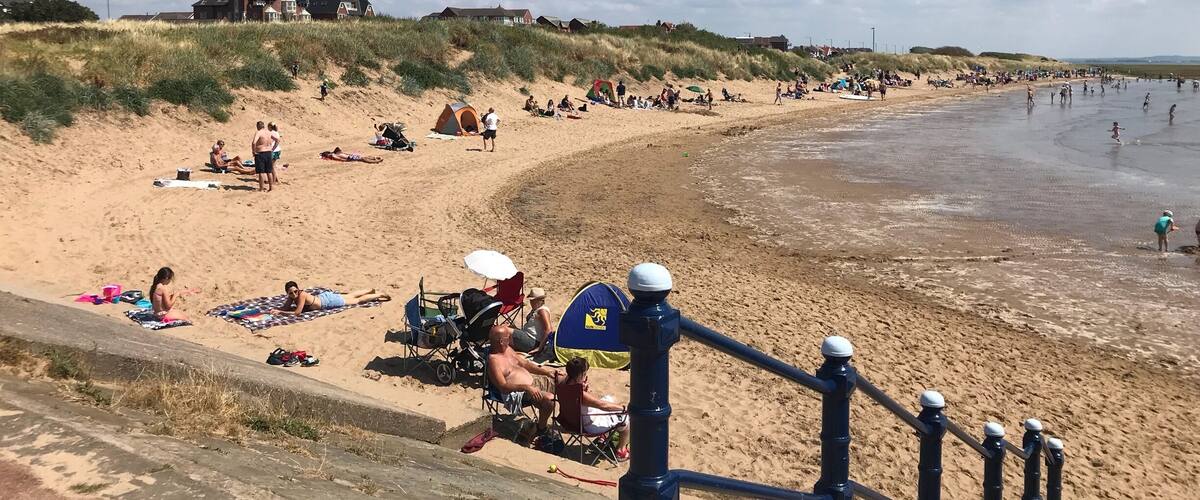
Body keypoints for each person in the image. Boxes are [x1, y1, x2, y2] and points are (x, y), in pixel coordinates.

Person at [487, 325, 564, 442]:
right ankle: (541, 429)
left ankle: (575, 420)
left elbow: (525, 364)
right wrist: (526, 387)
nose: (510, 339)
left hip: (533, 382)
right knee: (550, 400)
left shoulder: (507, 349)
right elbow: (503, 387)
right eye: (508, 337)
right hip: (519, 393)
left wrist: (547, 372)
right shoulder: (494, 361)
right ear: (501, 341)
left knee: (565, 380)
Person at [557, 357, 631, 461]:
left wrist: (582, 387)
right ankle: (621, 451)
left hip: (569, 420)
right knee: (626, 419)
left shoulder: (561, 383)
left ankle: (603, 439)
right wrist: (624, 408)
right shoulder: (580, 395)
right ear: (580, 375)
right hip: (586, 426)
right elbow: (603, 406)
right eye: (585, 373)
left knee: (609, 398)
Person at [272, 281, 390, 315]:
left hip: (328, 302)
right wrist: (278, 310)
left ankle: (379, 295)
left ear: (299, 289)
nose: (294, 294)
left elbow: (297, 312)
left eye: (295, 291)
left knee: (356, 300)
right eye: (291, 293)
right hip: (324, 297)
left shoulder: (301, 295)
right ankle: (370, 289)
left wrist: (281, 313)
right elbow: (286, 307)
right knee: (350, 295)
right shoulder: (293, 296)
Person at [510, 288, 554, 354]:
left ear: (540, 300)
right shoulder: (536, 309)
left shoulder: (542, 311)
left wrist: (540, 348)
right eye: (531, 300)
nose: (531, 302)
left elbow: (549, 329)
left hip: (533, 341)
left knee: (503, 331)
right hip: (528, 336)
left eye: (533, 300)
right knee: (508, 327)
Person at [251, 121, 275, 192]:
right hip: (268, 152)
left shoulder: (259, 132)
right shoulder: (269, 132)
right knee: (269, 171)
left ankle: (261, 188)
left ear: (258, 126)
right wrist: (272, 149)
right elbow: (277, 139)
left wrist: (253, 151)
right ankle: (271, 188)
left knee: (261, 172)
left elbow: (254, 142)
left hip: (261, 153)